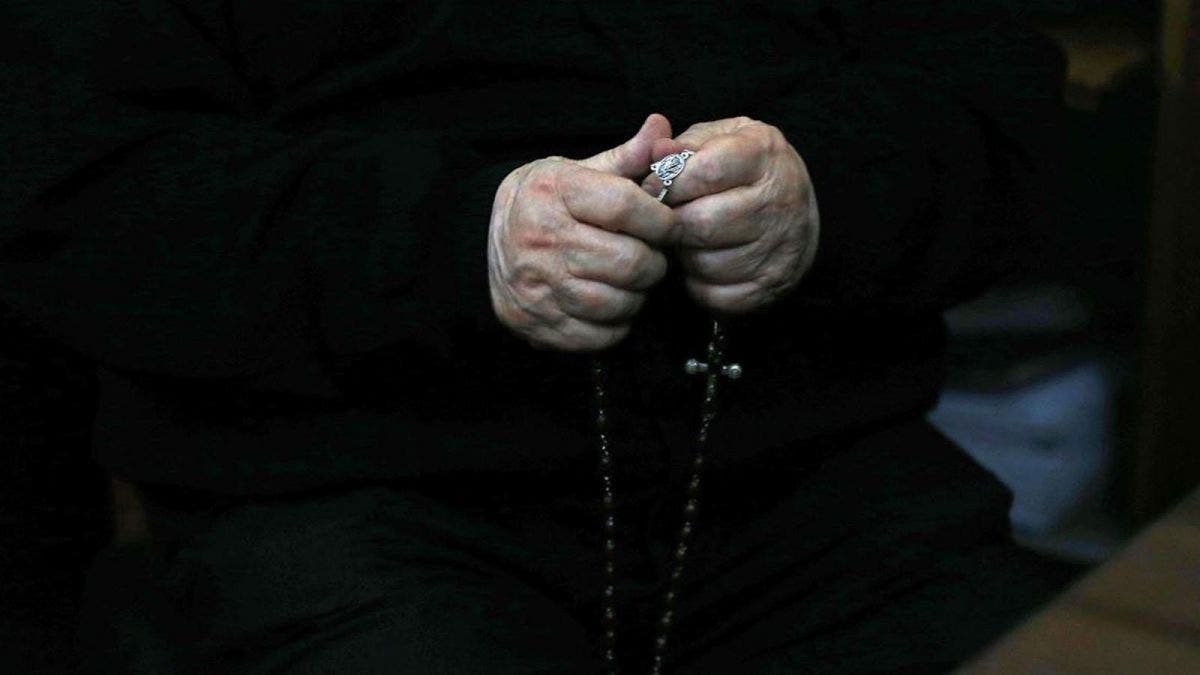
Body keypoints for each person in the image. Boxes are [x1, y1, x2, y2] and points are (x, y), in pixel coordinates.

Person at [1, 1, 1071, 672]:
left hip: (817, 488)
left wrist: (825, 189)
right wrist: (461, 242)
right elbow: (78, 192)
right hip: (358, 504)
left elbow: (997, 95)